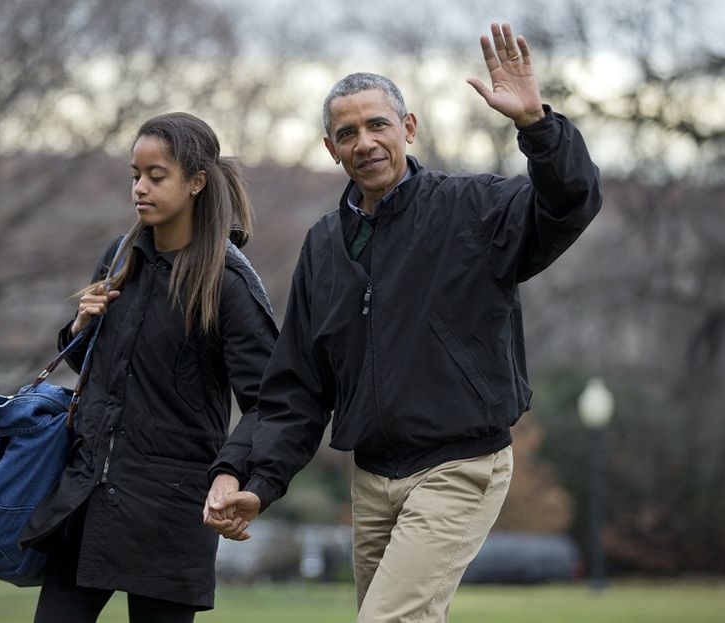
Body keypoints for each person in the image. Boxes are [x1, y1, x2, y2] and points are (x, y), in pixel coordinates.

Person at [205, 22, 602, 623]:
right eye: (347, 133)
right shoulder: (323, 248)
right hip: (373, 479)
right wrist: (254, 477)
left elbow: (570, 201)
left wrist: (536, 126)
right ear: (330, 148)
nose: (364, 142)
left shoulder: (474, 210)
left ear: (407, 128)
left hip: (459, 466)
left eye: (377, 124)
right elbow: (295, 392)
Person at [19, 112, 278, 623]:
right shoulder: (119, 257)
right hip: (87, 499)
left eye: (156, 176)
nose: (140, 188)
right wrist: (78, 329)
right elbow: (92, 367)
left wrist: (234, 476)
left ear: (196, 182)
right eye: (135, 175)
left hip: (171, 514)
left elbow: (270, 402)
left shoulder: (227, 284)